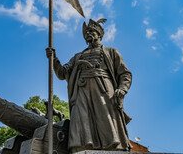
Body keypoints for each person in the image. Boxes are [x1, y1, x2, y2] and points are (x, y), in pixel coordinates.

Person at [46, 19, 132, 152]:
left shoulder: (111, 52)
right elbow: (62, 74)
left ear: (99, 34)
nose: (88, 34)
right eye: (86, 32)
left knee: (106, 119)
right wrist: (54, 59)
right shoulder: (78, 56)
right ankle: (81, 147)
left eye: (91, 31)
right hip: (82, 89)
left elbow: (125, 74)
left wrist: (122, 89)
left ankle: (113, 146)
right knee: (80, 118)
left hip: (103, 88)